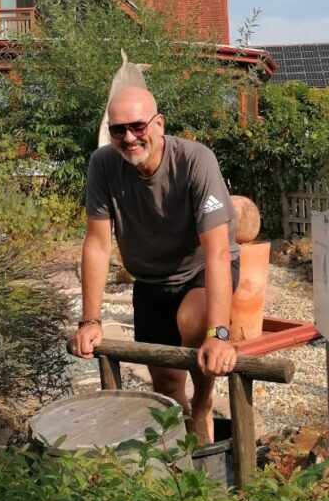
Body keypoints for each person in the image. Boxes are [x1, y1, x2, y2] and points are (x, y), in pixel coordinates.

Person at [70, 86, 240, 443]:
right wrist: (90, 321)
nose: (129, 137)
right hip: (150, 281)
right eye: (119, 130)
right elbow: (98, 245)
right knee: (164, 384)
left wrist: (219, 334)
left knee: (193, 322)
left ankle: (204, 403)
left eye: (138, 126)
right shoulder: (103, 165)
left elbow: (218, 252)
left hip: (201, 272)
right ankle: (180, 461)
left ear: (158, 123)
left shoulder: (195, 161)